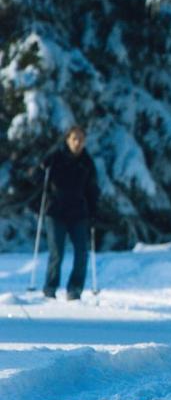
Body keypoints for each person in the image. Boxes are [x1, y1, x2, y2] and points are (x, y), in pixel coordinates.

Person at [40, 125, 99, 300]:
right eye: (74, 138)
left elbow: (92, 189)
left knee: (82, 252)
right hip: (55, 211)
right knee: (57, 252)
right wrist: (43, 167)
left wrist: (94, 212)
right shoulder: (56, 158)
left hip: (78, 213)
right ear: (68, 140)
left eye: (81, 139)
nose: (78, 142)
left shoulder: (87, 162)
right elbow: (38, 178)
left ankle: (75, 289)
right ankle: (50, 288)